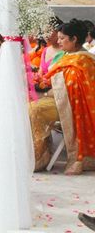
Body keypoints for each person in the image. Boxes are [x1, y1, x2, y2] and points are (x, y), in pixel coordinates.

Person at [29, 19, 95, 174]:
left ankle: (41, 157)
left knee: (35, 110)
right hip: (60, 99)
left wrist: (47, 89)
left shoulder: (84, 60)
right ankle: (38, 154)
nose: (58, 41)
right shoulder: (67, 55)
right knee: (29, 106)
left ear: (74, 39)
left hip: (73, 106)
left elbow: (73, 88)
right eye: (58, 37)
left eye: (62, 38)